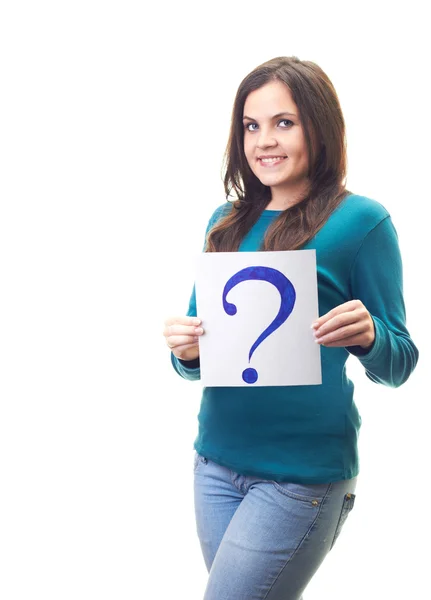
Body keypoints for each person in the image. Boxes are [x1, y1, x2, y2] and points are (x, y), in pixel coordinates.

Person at [163, 56, 419, 600]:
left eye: (284, 122)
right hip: (214, 463)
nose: (264, 141)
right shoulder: (225, 221)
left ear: (319, 127)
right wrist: (186, 351)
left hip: (300, 476)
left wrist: (371, 334)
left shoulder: (362, 222)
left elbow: (401, 361)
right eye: (251, 126)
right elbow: (199, 354)